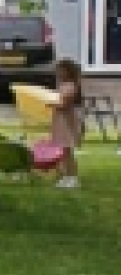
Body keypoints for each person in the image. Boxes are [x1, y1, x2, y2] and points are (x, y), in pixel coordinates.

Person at [48, 57, 84, 189]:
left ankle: (73, 177)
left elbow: (65, 104)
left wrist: (51, 104)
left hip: (67, 122)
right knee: (63, 151)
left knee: (68, 151)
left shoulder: (71, 86)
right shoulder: (62, 86)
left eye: (61, 70)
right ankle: (66, 176)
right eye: (57, 70)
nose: (58, 73)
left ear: (68, 71)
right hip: (61, 120)